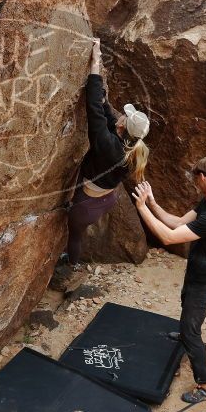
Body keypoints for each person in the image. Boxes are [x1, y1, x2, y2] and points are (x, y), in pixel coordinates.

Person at [131, 156, 206, 404]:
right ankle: (184, 336)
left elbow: (168, 237)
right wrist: (153, 203)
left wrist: (141, 208)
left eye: (194, 178)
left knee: (191, 330)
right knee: (185, 306)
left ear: (202, 178)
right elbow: (177, 223)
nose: (193, 182)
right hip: (199, 271)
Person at [63, 38, 150, 268]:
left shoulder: (107, 144)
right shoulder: (134, 149)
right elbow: (107, 115)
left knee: (74, 234)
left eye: (124, 116)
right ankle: (72, 260)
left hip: (85, 205)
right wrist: (103, 97)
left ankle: (70, 265)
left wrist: (95, 64)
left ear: (123, 127)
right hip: (106, 197)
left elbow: (94, 110)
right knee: (77, 233)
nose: (120, 114)